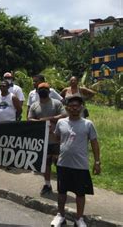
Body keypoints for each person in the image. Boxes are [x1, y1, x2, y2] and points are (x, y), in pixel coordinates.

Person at [50, 96, 101, 227]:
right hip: (63, 164)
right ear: (67, 108)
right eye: (71, 105)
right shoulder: (61, 122)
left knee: (80, 193)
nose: (74, 108)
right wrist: (55, 153)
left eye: (77, 106)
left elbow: (95, 143)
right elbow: (56, 138)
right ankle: (60, 215)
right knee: (62, 192)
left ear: (81, 107)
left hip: (80, 166)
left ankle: (79, 218)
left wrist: (97, 162)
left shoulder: (88, 124)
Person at [28, 83, 67, 195]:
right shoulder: (34, 105)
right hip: (42, 140)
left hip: (56, 139)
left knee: (59, 163)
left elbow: (64, 115)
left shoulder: (57, 103)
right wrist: (42, 122)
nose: (43, 90)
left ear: (49, 91)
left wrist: (48, 118)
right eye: (41, 89)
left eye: (45, 89)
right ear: (38, 91)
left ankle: (62, 185)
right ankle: (47, 184)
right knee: (46, 164)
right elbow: (30, 119)